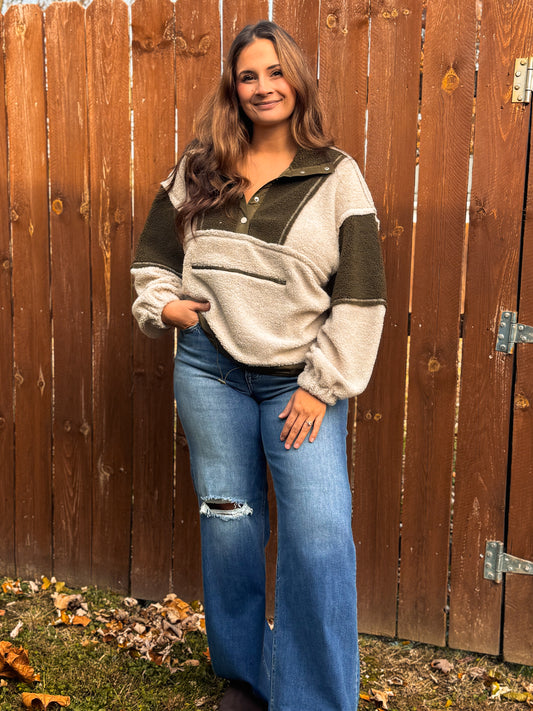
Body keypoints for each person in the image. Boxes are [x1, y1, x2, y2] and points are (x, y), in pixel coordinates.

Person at [131, 20, 386, 711]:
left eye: (275, 72)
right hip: (209, 372)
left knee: (320, 535)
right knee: (230, 523)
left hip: (297, 386)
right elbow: (154, 257)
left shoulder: (336, 177)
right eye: (248, 75)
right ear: (233, 88)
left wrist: (321, 387)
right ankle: (246, 678)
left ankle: (316, 699)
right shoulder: (200, 165)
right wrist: (164, 306)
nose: (263, 86)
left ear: (297, 80)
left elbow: (361, 296)